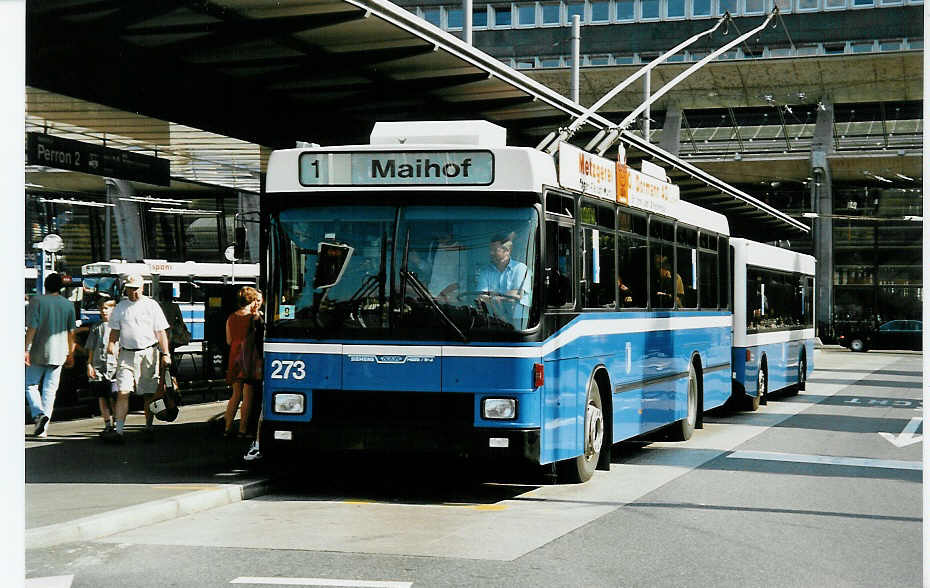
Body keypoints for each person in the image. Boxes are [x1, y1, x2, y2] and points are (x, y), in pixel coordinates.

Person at [106, 274, 171, 444]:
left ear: (142, 288)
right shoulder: (121, 307)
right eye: (129, 288)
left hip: (148, 353)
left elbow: (160, 332)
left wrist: (166, 353)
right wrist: (111, 344)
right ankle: (119, 431)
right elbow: (115, 330)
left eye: (135, 289)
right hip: (126, 354)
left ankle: (148, 426)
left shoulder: (151, 306)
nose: (132, 292)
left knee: (148, 393)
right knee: (123, 391)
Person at [25, 273, 77, 438]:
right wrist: (71, 352)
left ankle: (38, 414)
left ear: (45, 286)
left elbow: (32, 327)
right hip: (60, 353)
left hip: (38, 351)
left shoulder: (37, 301)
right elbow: (71, 332)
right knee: (50, 391)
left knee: (30, 384)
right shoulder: (68, 305)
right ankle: (44, 430)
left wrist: (25, 348)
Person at [224, 286, 263, 438]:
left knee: (235, 395)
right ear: (252, 300)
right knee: (248, 396)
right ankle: (242, 429)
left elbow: (228, 341)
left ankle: (227, 427)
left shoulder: (231, 318)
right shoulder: (254, 318)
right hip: (249, 359)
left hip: (234, 358)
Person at [475, 232, 531, 327]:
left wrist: (494, 297)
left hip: (518, 320)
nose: (491, 253)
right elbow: (481, 296)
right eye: (490, 249)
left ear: (507, 251)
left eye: (495, 250)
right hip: (493, 319)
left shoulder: (520, 268)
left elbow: (517, 294)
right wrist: (500, 311)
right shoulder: (485, 271)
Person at [85, 297, 118, 436]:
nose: (104, 311)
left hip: (114, 367)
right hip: (98, 367)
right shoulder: (96, 327)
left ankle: (117, 423)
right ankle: (107, 424)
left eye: (107, 308)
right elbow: (91, 348)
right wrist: (89, 364)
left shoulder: (118, 327)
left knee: (114, 396)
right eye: (101, 308)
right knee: (102, 397)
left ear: (114, 309)